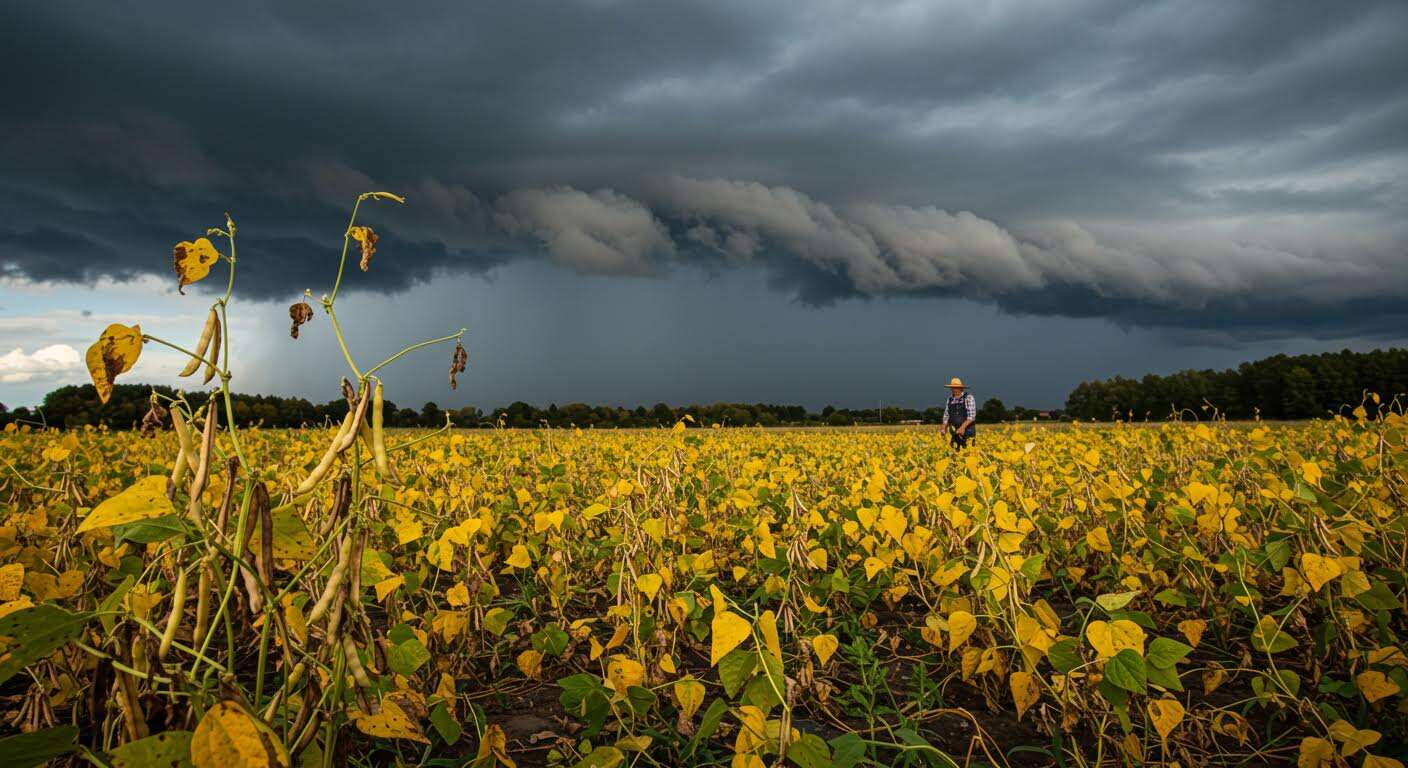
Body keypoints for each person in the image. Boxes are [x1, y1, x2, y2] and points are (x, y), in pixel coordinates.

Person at [941, 377, 976, 449]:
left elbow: (971, 417)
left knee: (969, 453)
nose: (955, 390)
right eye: (953, 388)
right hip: (955, 433)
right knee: (955, 454)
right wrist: (944, 427)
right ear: (951, 389)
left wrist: (962, 428)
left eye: (957, 388)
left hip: (967, 432)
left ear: (961, 388)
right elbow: (946, 416)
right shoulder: (950, 399)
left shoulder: (968, 398)